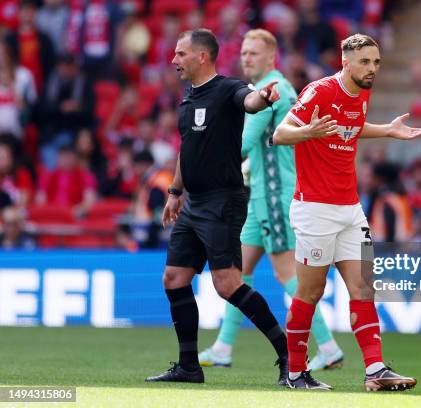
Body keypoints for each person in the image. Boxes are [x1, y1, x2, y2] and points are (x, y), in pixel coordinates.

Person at [273, 33, 421, 391]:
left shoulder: (363, 93)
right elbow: (281, 134)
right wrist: (307, 131)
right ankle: (295, 374)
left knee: (363, 288)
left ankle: (375, 371)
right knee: (309, 294)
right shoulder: (320, 91)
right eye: (365, 62)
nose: (372, 69)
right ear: (345, 62)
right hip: (315, 209)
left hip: (350, 209)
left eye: (376, 62)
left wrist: (386, 131)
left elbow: (350, 129)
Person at [145, 28, 289, 386]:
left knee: (227, 285)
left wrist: (265, 98)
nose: (174, 60)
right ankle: (188, 367)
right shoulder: (188, 98)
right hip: (193, 203)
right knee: (175, 278)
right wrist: (175, 192)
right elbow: (187, 148)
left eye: (181, 54)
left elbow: (249, 101)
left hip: (224, 200)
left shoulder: (227, 88)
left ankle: (289, 356)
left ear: (202, 56)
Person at [197, 29, 344, 371]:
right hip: (263, 194)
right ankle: (223, 347)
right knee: (237, 273)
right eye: (244, 52)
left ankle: (328, 345)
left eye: (253, 53)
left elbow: (244, 143)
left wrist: (202, 160)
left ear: (271, 57)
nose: (246, 58)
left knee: (286, 274)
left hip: (275, 197)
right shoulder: (277, 88)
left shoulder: (271, 91)